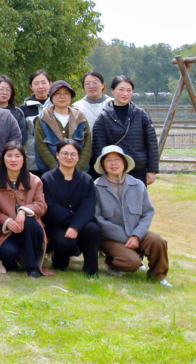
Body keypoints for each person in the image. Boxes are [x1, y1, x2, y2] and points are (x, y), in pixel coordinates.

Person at [93, 146, 170, 286]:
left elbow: (148, 212)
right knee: (132, 263)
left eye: (117, 159)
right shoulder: (96, 187)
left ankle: (158, 276)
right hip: (111, 238)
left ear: (124, 162)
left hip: (136, 233)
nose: (113, 163)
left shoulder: (138, 185)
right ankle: (112, 263)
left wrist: (136, 236)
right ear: (103, 164)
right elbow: (97, 218)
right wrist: (125, 238)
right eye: (108, 160)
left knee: (158, 241)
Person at [0, 141, 51, 277]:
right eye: (9, 156)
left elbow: (41, 205)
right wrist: (7, 221)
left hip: (30, 229)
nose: (13, 160)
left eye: (17, 156)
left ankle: (32, 267)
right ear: (3, 159)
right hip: (7, 231)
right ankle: (12, 260)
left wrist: (23, 211)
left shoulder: (35, 181)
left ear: (23, 159)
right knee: (8, 252)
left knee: (28, 221)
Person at [41, 140, 100, 275]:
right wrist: (73, 223)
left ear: (78, 157)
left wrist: (76, 226)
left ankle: (91, 270)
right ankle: (58, 261)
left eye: (73, 154)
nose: (69, 157)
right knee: (66, 242)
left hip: (80, 223)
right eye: (65, 153)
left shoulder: (86, 179)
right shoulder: (47, 179)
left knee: (93, 229)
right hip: (57, 224)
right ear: (57, 155)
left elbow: (89, 206)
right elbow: (50, 207)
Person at [91, 76, 158, 186]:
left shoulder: (142, 115)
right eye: (121, 90)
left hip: (138, 168)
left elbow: (152, 144)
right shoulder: (103, 118)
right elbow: (98, 148)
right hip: (113, 171)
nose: (125, 94)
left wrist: (152, 170)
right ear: (112, 90)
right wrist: (101, 171)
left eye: (129, 90)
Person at [34, 80, 92, 173]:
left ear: (71, 97)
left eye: (66, 93)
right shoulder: (43, 119)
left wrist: (77, 170)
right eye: (57, 93)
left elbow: (87, 146)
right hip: (51, 174)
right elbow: (41, 148)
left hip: (79, 173)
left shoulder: (80, 117)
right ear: (51, 97)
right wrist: (57, 171)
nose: (62, 97)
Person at [0, 75, 27, 139]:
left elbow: (22, 136)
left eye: (8, 90)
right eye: (1, 89)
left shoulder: (17, 113)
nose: (5, 92)